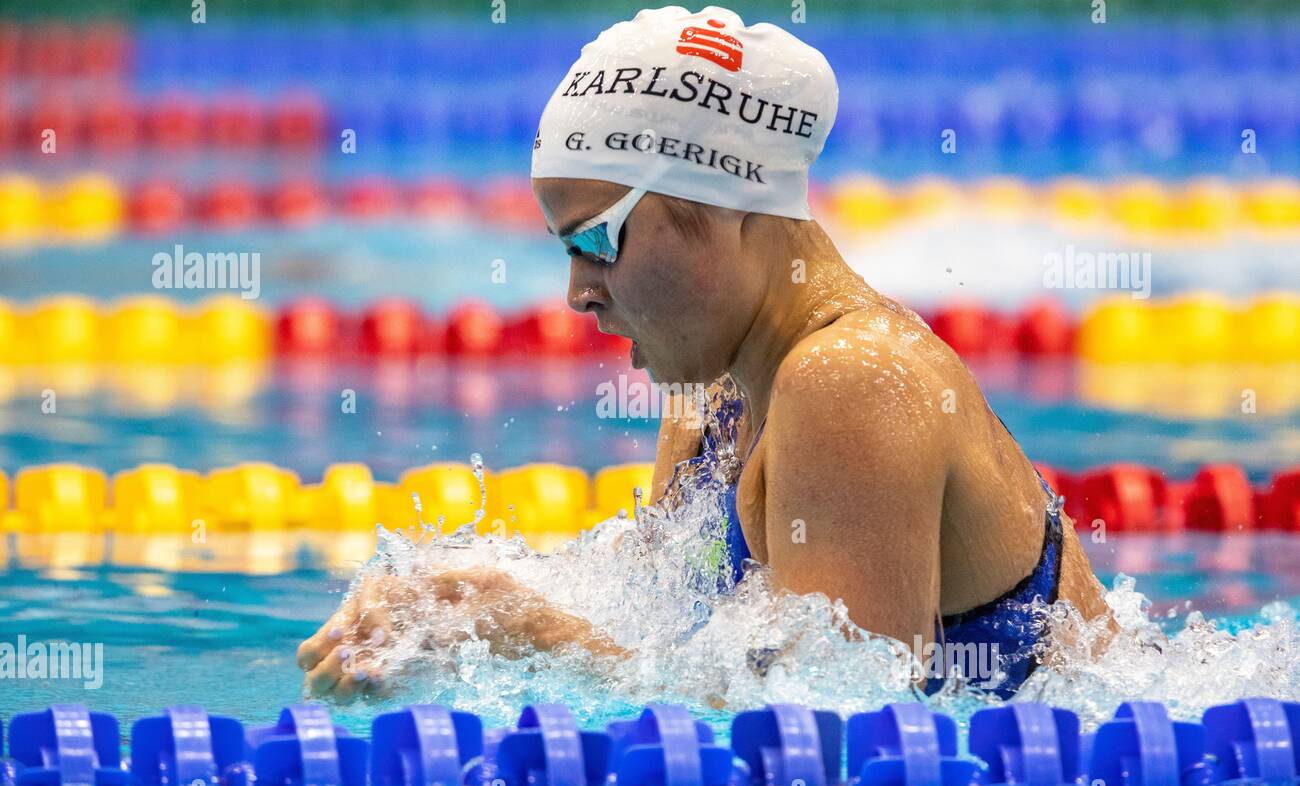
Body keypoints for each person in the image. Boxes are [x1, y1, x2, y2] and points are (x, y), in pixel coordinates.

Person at [298, 5, 1107, 702]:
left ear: (723, 207)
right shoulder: (713, 400)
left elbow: (836, 722)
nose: (578, 293)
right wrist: (446, 603)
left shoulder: (852, 379)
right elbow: (650, 629)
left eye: (596, 241)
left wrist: (530, 632)